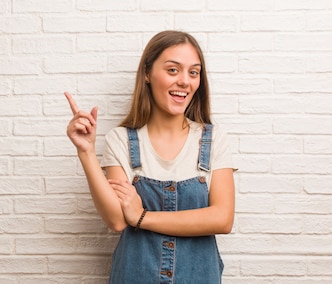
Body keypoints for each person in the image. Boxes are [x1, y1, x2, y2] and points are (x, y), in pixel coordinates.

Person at [64, 30, 236, 284]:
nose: (185, 82)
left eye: (193, 72)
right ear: (147, 74)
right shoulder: (120, 139)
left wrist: (143, 217)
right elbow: (117, 220)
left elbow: (222, 219)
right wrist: (86, 152)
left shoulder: (213, 140)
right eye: (173, 70)